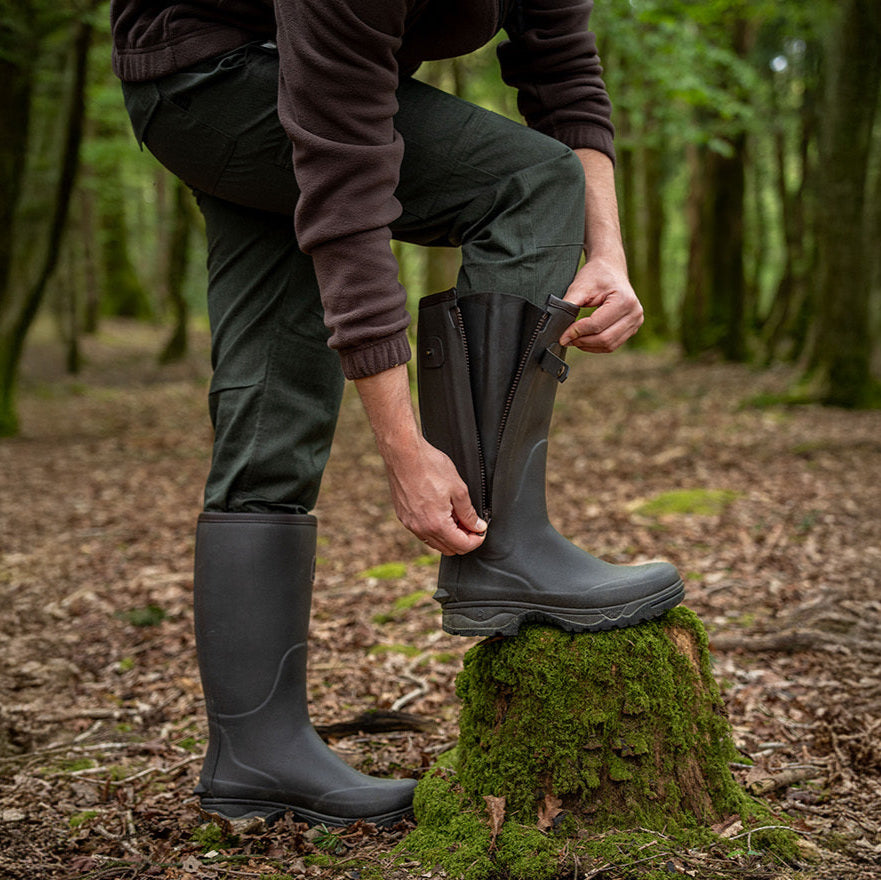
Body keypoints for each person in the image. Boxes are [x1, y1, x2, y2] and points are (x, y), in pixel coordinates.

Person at [110, 0, 684, 829]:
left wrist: (608, 252)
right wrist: (405, 449)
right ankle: (504, 550)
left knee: (272, 397)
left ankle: (254, 755)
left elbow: (561, 72)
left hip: (263, 84)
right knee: (524, 180)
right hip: (212, 80)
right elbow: (347, 191)